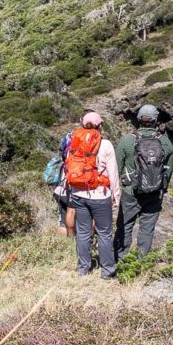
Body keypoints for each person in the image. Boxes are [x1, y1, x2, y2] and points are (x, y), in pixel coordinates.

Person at [114, 104, 173, 258]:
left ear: (138, 119)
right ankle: (141, 261)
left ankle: (121, 260)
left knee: (125, 226)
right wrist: (162, 187)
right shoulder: (165, 142)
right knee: (147, 229)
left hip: (131, 192)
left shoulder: (127, 140)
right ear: (156, 121)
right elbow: (169, 169)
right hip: (155, 193)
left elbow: (116, 167)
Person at [64, 110, 119, 278]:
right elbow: (113, 173)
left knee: (83, 232)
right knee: (104, 233)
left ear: (82, 124)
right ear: (100, 126)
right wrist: (115, 194)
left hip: (79, 194)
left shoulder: (74, 142)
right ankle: (107, 271)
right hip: (100, 196)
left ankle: (83, 269)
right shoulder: (106, 144)